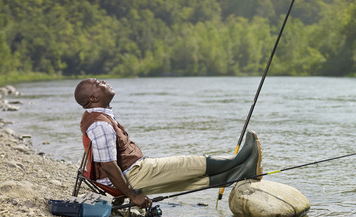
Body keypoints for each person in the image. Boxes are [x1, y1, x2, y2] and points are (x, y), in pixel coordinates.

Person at [74, 78, 263, 209]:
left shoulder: (97, 117)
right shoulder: (100, 123)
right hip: (133, 174)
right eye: (99, 84)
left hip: (132, 172)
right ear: (94, 98)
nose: (104, 82)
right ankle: (240, 160)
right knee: (190, 164)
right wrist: (132, 195)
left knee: (190, 181)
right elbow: (108, 165)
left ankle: (244, 171)